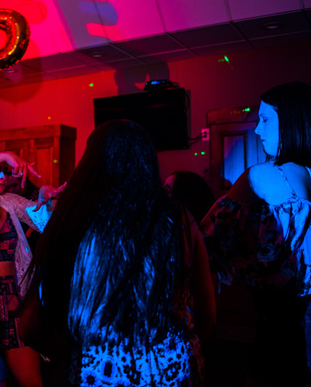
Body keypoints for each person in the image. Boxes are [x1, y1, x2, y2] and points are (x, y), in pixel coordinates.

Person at [22, 120, 215, 386]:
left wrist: (76, 356)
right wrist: (176, 349)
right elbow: (207, 315)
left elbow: (30, 327)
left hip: (98, 374)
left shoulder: (73, 220)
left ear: (91, 165)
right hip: (173, 372)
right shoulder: (179, 220)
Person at [201, 81, 311, 385]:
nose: (258, 130)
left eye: (265, 119)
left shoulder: (263, 176)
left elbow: (207, 238)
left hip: (279, 335)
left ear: (291, 122)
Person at [0, 150, 63, 387]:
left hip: (11, 300)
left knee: (31, 380)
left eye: (6, 172)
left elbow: (46, 223)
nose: (3, 177)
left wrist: (47, 196)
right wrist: (5, 155)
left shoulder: (10, 202)